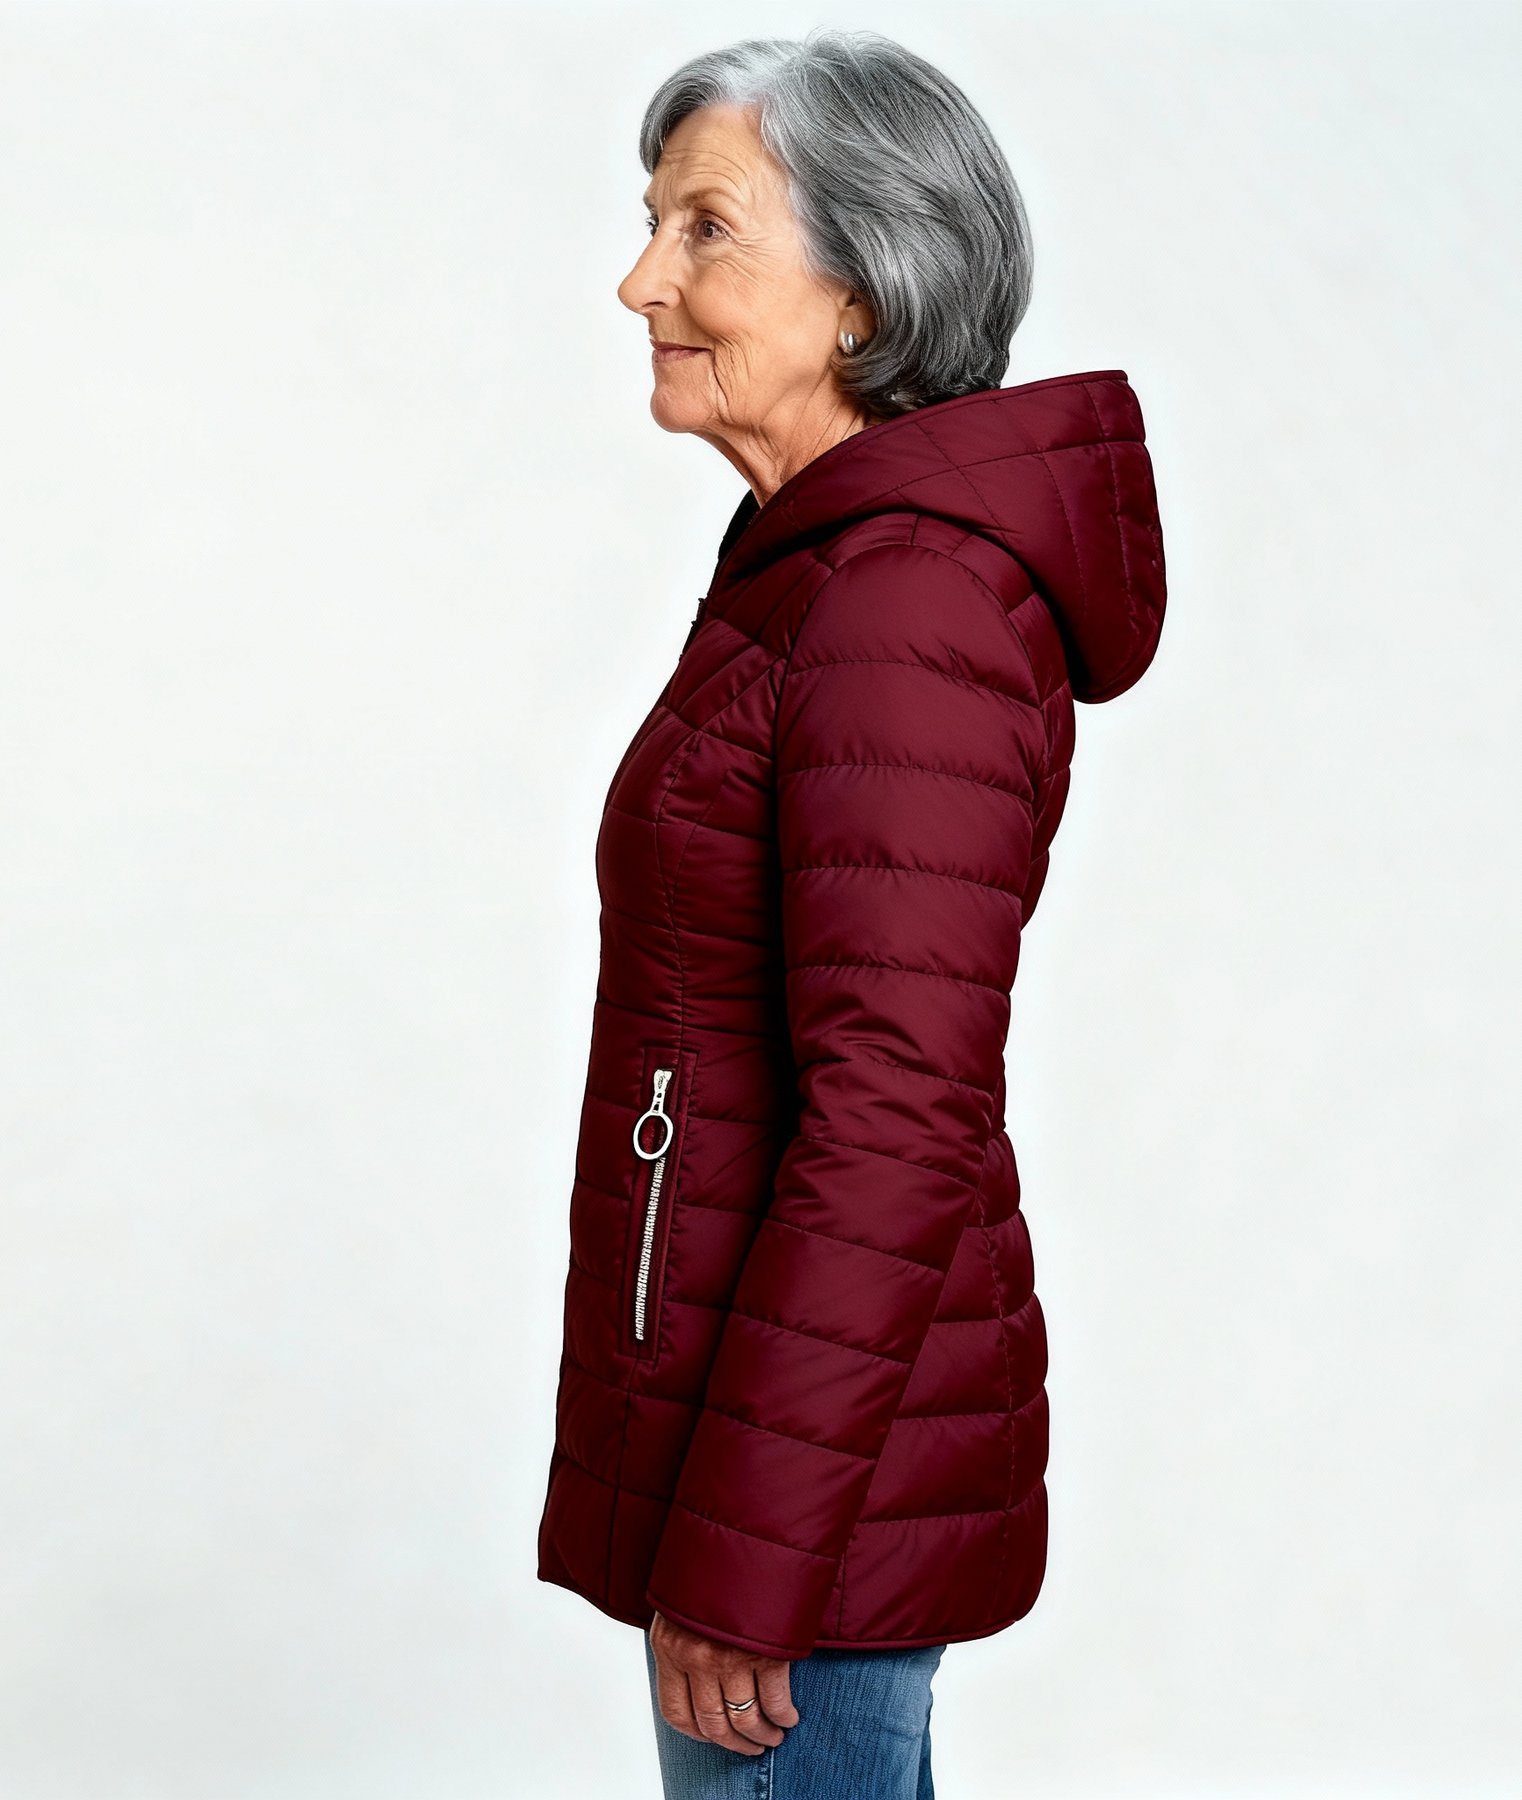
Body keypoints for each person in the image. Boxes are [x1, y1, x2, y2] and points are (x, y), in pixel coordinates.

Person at [537, 31, 1166, 1800]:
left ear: (867, 296)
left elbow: (898, 1111)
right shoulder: (822, 570)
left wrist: (751, 1556)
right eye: (651, 224)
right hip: (775, 1449)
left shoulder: (900, 608)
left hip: (807, 1496)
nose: (641, 283)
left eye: (705, 229)